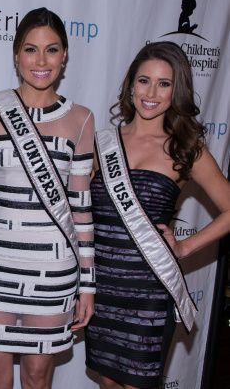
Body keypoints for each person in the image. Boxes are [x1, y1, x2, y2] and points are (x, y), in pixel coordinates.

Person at [85, 41, 230, 389]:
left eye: (164, 84)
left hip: (148, 291)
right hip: (101, 288)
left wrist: (184, 248)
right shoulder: (100, 142)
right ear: (130, 84)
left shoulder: (186, 148)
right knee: (107, 381)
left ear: (175, 91)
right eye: (144, 80)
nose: (151, 92)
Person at [0, 7, 96, 389]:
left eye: (52, 50)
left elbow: (81, 210)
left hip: (53, 271)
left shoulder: (82, 120)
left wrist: (87, 284)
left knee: (39, 379)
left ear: (65, 56)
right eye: (30, 49)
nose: (41, 61)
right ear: (15, 55)